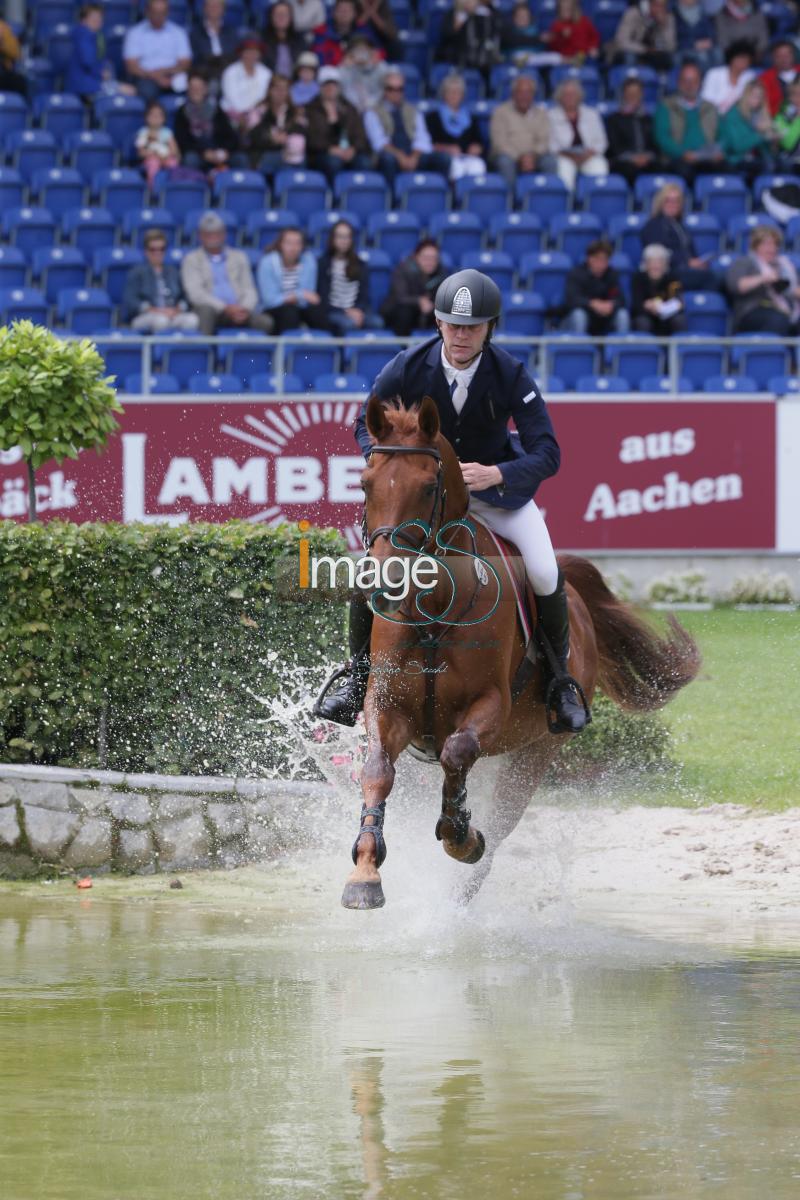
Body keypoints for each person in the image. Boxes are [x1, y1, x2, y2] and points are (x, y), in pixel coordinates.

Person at [313, 268, 588, 735]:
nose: (462, 336)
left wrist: (497, 472)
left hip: (495, 497)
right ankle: (357, 677)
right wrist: (391, 464)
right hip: (428, 502)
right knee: (372, 569)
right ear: (439, 323)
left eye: (473, 327)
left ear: (489, 328)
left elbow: (548, 452)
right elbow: (366, 424)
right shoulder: (407, 366)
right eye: (454, 325)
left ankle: (560, 681)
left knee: (543, 569)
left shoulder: (510, 375)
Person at [181, 210, 274, 334]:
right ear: (200, 236)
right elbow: (196, 294)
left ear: (224, 234)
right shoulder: (191, 259)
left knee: (266, 322)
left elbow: (249, 289)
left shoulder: (239, 257)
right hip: (213, 310)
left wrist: (244, 308)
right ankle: (205, 351)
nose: (213, 237)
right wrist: (225, 308)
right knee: (206, 312)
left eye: (217, 233)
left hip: (239, 309)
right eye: (208, 234)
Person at [363, 71, 451, 185]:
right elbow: (379, 142)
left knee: (443, 159)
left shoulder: (413, 111)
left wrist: (414, 157)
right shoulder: (372, 112)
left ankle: (437, 196)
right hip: (390, 155)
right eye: (391, 89)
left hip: (413, 154)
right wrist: (401, 156)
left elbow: (423, 138)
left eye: (399, 89)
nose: (395, 93)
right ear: (384, 90)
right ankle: (392, 199)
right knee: (388, 160)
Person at [654, 61, 724, 182]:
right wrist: (683, 153)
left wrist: (718, 151)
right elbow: (662, 138)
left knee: (728, 171)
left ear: (700, 84)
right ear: (678, 83)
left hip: (707, 157)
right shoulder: (666, 106)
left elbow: (723, 135)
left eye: (694, 81)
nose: (689, 85)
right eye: (685, 81)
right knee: (685, 172)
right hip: (678, 159)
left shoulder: (711, 108)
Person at [640, 182, 718, 291]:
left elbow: (690, 252)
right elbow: (657, 254)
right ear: (660, 202)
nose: (673, 204)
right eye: (668, 200)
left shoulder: (681, 225)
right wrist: (687, 262)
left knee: (720, 275)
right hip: (668, 273)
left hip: (686, 270)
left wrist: (697, 263)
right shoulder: (654, 225)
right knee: (710, 278)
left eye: (676, 201)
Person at [726, 224, 800, 335]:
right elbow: (738, 286)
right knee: (778, 319)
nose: (772, 248)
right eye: (767, 244)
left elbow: (794, 289)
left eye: (775, 244)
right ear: (756, 246)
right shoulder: (744, 262)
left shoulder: (785, 266)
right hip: (753, 310)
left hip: (787, 309)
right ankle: (774, 351)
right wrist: (763, 278)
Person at [122, 227, 199, 331]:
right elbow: (131, 301)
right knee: (161, 321)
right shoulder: (136, 273)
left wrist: (178, 309)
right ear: (146, 251)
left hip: (172, 314)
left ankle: (180, 347)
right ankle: (161, 348)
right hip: (146, 316)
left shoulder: (173, 272)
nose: (157, 253)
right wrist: (155, 310)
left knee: (192, 320)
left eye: (161, 249)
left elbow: (185, 297)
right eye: (153, 249)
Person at [316, 220, 383, 334]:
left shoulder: (361, 264)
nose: (344, 241)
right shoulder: (323, 263)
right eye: (340, 236)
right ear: (332, 239)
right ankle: (346, 352)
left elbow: (364, 295)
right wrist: (345, 312)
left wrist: (358, 311)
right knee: (348, 324)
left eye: (347, 237)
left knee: (377, 322)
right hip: (333, 311)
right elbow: (322, 298)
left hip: (357, 310)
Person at [305, 65, 370, 180]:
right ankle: (334, 196)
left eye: (334, 84)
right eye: (326, 84)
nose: (330, 88)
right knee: (333, 162)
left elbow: (360, 135)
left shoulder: (349, 108)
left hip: (349, 151)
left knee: (364, 162)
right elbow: (312, 139)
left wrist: (353, 149)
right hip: (322, 153)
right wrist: (330, 149)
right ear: (320, 87)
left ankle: (359, 195)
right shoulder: (311, 109)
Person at [489, 73, 553, 189]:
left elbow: (544, 140)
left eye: (528, 92)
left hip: (534, 156)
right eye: (520, 92)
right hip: (510, 156)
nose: (524, 96)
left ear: (533, 95)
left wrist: (532, 156)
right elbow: (499, 143)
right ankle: (510, 202)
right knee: (505, 162)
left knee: (550, 161)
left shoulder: (541, 113)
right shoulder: (500, 112)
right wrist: (520, 157)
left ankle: (546, 201)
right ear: (513, 94)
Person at [174, 70, 243, 174]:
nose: (195, 91)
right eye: (192, 88)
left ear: (205, 89)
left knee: (240, 159)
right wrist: (204, 153)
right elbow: (183, 141)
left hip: (219, 152)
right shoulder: (182, 112)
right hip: (198, 153)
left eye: (199, 88)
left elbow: (231, 136)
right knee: (190, 160)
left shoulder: (216, 110)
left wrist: (225, 151)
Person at [123, 0, 193, 103]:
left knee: (194, 86)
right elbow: (131, 66)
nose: (159, 16)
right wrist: (156, 77)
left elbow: (185, 63)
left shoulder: (178, 33)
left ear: (167, 13)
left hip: (173, 76)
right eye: (155, 12)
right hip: (146, 77)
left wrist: (165, 73)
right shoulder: (135, 33)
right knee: (147, 91)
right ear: (147, 12)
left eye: (162, 13)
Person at [257, 226, 323, 332]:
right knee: (289, 311)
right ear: (280, 244)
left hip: (300, 307)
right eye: (289, 243)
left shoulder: (309, 260)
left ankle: (323, 346)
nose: (293, 248)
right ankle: (288, 348)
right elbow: (269, 300)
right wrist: (298, 295)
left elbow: (309, 295)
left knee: (317, 311)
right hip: (274, 309)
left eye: (297, 243)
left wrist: (296, 297)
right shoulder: (267, 263)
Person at [67, 4, 136, 102]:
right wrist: (101, 73)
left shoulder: (95, 36)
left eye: (100, 17)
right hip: (85, 85)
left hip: (92, 82)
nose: (98, 20)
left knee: (129, 90)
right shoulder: (84, 35)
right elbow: (88, 61)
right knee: (128, 91)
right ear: (83, 20)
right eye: (94, 17)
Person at [548, 78, 609, 190]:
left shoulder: (592, 114)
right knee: (563, 170)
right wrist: (567, 155)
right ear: (560, 97)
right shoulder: (551, 115)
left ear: (579, 96)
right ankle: (567, 203)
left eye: (573, 94)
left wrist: (590, 153)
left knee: (599, 166)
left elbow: (602, 141)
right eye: (566, 94)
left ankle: (594, 202)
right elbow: (550, 144)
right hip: (563, 157)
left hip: (588, 155)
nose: (570, 97)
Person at [561, 239, 629, 335]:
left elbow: (620, 298)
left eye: (605, 259)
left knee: (622, 315)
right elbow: (572, 299)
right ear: (589, 258)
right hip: (582, 315)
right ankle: (578, 348)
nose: (601, 263)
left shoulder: (612, 274)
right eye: (598, 259)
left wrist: (611, 304)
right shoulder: (576, 273)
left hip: (604, 318)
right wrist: (592, 303)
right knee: (579, 315)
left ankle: (621, 348)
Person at [380, 238, 447, 336]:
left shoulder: (441, 274)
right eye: (426, 258)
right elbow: (400, 297)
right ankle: (402, 347)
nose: (430, 262)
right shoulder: (403, 270)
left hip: (425, 315)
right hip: (399, 313)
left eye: (434, 258)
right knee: (404, 312)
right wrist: (419, 301)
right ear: (416, 257)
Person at [426, 73, 487, 181]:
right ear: (444, 94)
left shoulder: (470, 117)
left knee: (478, 165)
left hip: (467, 157)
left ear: (462, 96)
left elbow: (479, 141)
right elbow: (428, 144)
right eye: (450, 92)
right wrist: (446, 148)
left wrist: (477, 147)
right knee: (456, 167)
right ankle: (454, 196)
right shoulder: (433, 117)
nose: (454, 95)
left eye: (457, 92)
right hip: (446, 159)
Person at [247, 74, 307, 174]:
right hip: (264, 154)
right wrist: (271, 138)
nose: (281, 93)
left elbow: (301, 132)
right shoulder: (258, 111)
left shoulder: (296, 112)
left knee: (298, 158)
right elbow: (254, 136)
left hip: (290, 155)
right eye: (277, 88)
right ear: (270, 90)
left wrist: (286, 138)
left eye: (284, 89)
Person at [605, 76, 661, 184]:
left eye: (636, 93)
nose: (633, 96)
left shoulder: (649, 119)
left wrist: (647, 157)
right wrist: (632, 158)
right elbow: (614, 147)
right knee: (628, 171)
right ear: (624, 94)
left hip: (648, 160)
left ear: (641, 94)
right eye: (629, 93)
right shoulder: (614, 119)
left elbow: (656, 145)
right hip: (625, 162)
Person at [719, 79, 779, 176]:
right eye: (753, 95)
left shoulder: (760, 115)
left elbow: (768, 153)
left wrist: (773, 141)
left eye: (760, 97)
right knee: (766, 168)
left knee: (778, 166)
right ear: (745, 95)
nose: (757, 100)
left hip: (756, 162)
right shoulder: (733, 114)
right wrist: (760, 133)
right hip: (735, 162)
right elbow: (737, 146)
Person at [436, 0, 503, 79]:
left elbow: (493, 32)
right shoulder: (452, 15)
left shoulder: (483, 16)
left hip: (481, 57)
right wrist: (462, 19)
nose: (469, 3)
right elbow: (447, 35)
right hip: (457, 57)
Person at [221, 37, 272, 135]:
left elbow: (266, 97)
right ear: (241, 53)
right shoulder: (230, 72)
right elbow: (231, 98)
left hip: (258, 115)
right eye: (248, 51)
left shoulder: (266, 73)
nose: (252, 55)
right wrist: (244, 116)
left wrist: (254, 113)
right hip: (234, 115)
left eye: (255, 52)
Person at [631, 244, 685, 336]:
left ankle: (679, 349)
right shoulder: (638, 279)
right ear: (646, 264)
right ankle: (645, 349)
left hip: (667, 316)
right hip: (646, 315)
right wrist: (646, 306)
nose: (655, 266)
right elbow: (636, 305)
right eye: (652, 262)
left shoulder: (673, 279)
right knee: (642, 321)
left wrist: (663, 307)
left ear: (665, 265)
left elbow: (678, 302)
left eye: (659, 262)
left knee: (679, 320)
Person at [607, 0, 676, 71]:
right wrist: (645, 49)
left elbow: (670, 47)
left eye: (663, 6)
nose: (660, 9)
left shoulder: (668, 17)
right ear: (649, 3)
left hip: (654, 54)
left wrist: (663, 25)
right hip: (633, 50)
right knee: (630, 56)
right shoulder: (633, 13)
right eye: (657, 5)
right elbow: (621, 41)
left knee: (671, 59)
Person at [701, 40, 756, 116]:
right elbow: (706, 101)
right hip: (715, 117)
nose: (743, 62)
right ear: (732, 58)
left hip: (740, 119)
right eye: (740, 58)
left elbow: (751, 103)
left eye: (747, 60)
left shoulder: (750, 77)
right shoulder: (714, 74)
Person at [135, 100, 180, 189]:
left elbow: (174, 150)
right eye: (152, 115)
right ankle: (153, 188)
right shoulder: (143, 133)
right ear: (146, 117)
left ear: (164, 118)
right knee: (153, 163)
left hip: (166, 157)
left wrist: (166, 156)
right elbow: (140, 152)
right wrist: (153, 154)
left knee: (173, 163)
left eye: (159, 115)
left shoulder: (167, 133)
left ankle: (172, 188)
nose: (156, 118)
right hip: (151, 158)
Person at [339, 35, 388, 112]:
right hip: (352, 110)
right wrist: (344, 67)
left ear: (370, 51)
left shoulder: (379, 67)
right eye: (357, 50)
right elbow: (341, 90)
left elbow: (392, 82)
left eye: (363, 50)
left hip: (376, 109)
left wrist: (378, 65)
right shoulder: (346, 68)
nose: (361, 54)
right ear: (351, 52)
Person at [190, 0, 238, 78]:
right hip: (205, 75)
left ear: (223, 10)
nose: (214, 9)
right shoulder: (195, 33)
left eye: (217, 6)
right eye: (210, 6)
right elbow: (197, 59)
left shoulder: (231, 33)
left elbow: (233, 55)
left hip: (228, 73)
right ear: (204, 9)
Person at [313, 0, 364, 66]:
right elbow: (318, 57)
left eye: (347, 10)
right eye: (340, 10)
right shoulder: (322, 31)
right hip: (331, 70)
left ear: (355, 13)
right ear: (333, 12)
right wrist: (340, 61)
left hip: (357, 69)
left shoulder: (363, 30)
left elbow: (376, 53)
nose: (344, 14)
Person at [263, 1, 306, 76]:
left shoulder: (300, 40)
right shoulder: (262, 40)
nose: (281, 17)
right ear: (271, 17)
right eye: (278, 14)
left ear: (291, 17)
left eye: (285, 15)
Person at [760, 40, 800, 117]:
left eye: (787, 55)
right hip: (780, 122)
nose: (784, 59)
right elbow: (765, 108)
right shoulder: (765, 79)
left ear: (793, 55)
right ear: (773, 58)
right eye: (779, 56)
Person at [674, 0, 717, 69]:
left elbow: (710, 31)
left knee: (718, 54)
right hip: (684, 48)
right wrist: (693, 44)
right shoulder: (674, 14)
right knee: (702, 57)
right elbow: (675, 39)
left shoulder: (703, 11)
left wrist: (710, 41)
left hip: (704, 45)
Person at [0, 18, 25, 97]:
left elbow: (17, 53)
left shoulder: (3, 27)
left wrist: (2, 44)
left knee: (20, 81)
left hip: (4, 72)